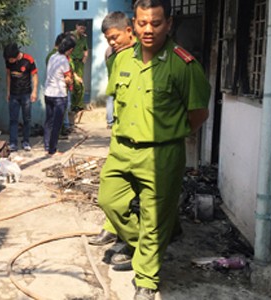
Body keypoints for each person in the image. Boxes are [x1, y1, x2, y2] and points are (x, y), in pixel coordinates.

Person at [98, 0, 211, 299]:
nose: (149, 29)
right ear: (133, 25)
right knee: (110, 201)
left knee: (153, 216)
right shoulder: (120, 60)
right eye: (143, 23)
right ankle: (156, 240)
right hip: (122, 150)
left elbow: (198, 114)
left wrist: (171, 135)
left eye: (156, 23)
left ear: (169, 24)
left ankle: (147, 279)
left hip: (161, 154)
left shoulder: (183, 65)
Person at [88, 11, 136, 247]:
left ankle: (135, 242)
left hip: (147, 136)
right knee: (110, 189)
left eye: (115, 37)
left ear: (129, 30)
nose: (112, 43)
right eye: (108, 39)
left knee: (142, 193)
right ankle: (113, 227)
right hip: (121, 130)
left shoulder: (145, 55)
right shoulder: (112, 55)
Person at [43, 36, 76, 155]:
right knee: (57, 123)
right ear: (70, 49)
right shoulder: (64, 60)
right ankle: (53, 149)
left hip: (48, 93)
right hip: (59, 95)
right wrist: (71, 81)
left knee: (48, 122)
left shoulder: (52, 56)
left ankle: (47, 146)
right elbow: (67, 79)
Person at [3, 43, 39, 152]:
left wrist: (34, 91)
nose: (9, 62)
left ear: (16, 55)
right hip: (14, 94)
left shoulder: (28, 60)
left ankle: (26, 141)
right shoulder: (8, 61)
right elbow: (8, 75)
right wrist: (8, 92)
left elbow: (34, 75)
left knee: (27, 119)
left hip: (26, 94)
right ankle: (13, 143)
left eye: (11, 59)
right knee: (13, 119)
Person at [69, 20, 88, 121]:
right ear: (77, 26)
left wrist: (85, 57)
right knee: (74, 84)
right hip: (71, 62)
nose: (82, 30)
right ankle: (73, 105)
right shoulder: (70, 36)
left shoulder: (84, 38)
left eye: (84, 28)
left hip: (79, 63)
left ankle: (78, 105)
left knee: (80, 84)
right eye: (81, 28)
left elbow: (85, 49)